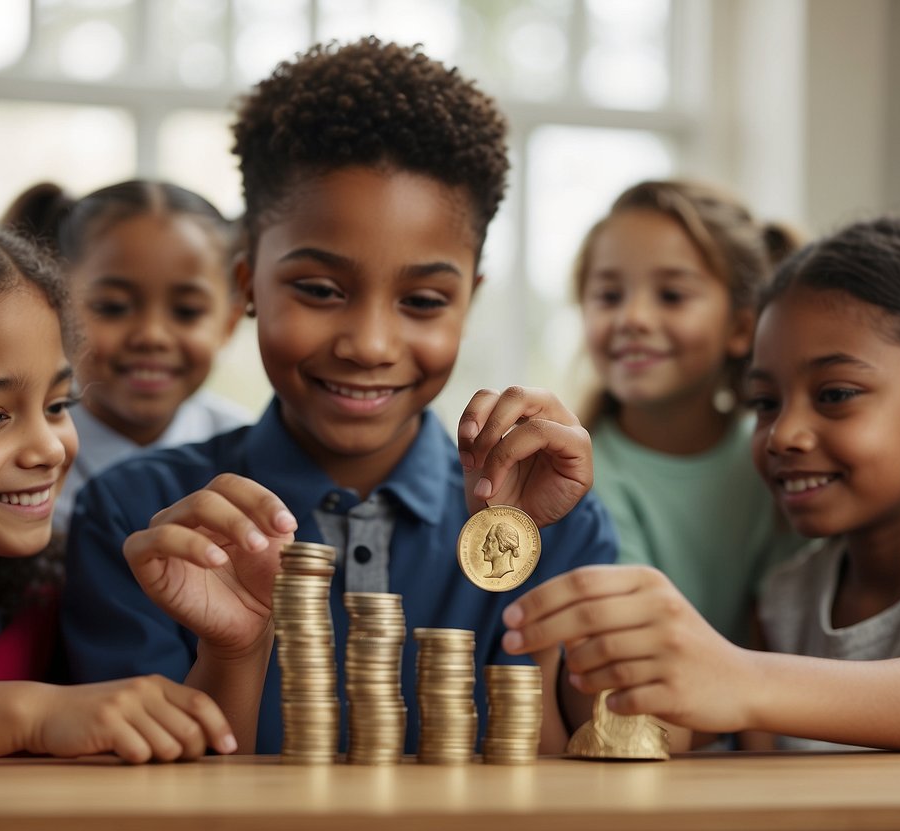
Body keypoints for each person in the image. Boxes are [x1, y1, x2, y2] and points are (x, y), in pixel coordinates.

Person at [61, 37, 618, 756]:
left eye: (422, 299)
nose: (369, 343)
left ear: (467, 303)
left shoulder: (554, 519)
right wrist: (232, 650)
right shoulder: (138, 519)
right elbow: (146, 792)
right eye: (320, 290)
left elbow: (579, 777)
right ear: (245, 285)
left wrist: (539, 562)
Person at [502, 216, 900, 751]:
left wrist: (738, 675)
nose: (782, 434)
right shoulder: (788, 597)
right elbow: (655, 734)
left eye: (835, 394)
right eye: (764, 403)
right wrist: (555, 623)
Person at [0, 209, 236, 763]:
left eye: (58, 406)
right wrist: (35, 715)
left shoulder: (57, 589)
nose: (51, 449)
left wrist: (231, 650)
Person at [574, 179, 804, 646]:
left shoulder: (781, 459)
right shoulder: (575, 476)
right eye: (609, 296)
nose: (632, 318)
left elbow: (785, 641)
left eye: (672, 295)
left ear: (741, 327)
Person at [3, 180, 251, 538]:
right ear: (54, 310)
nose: (151, 335)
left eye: (187, 311)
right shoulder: (17, 457)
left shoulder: (251, 460)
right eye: (113, 307)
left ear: (230, 321)